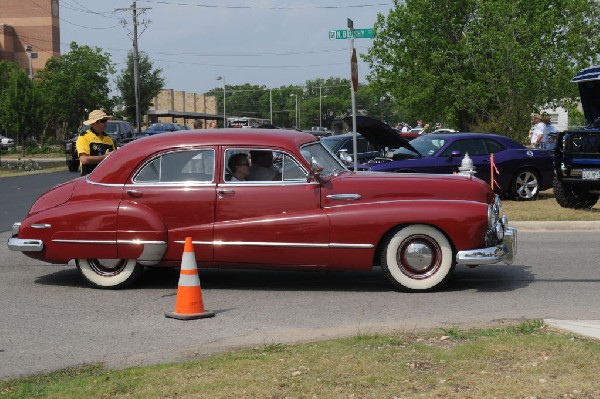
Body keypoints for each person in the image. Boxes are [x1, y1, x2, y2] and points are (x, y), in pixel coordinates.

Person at [76, 109, 116, 176]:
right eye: (103, 121)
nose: (105, 123)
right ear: (94, 123)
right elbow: (84, 159)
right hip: (89, 179)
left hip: (105, 177)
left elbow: (114, 159)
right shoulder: (84, 137)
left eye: (106, 121)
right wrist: (104, 157)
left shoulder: (109, 139)